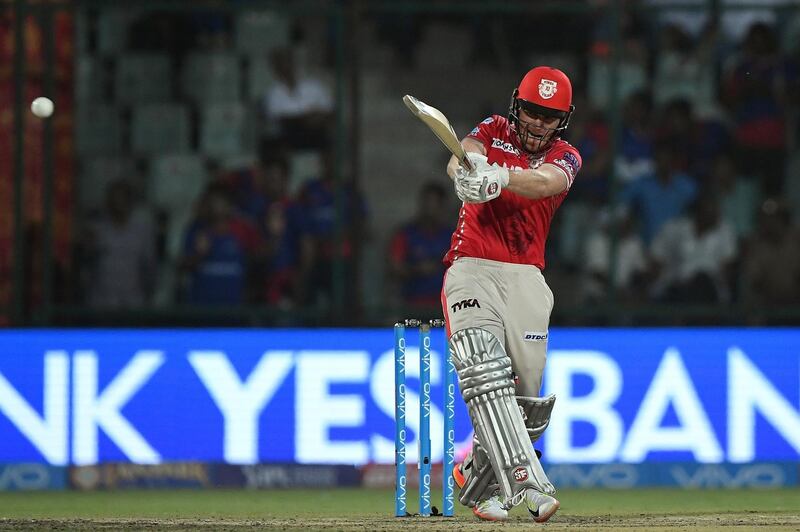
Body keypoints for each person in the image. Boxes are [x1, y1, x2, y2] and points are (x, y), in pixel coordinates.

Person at [442, 66, 582, 523]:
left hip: (526, 276)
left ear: (564, 119)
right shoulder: (491, 128)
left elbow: (543, 184)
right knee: (483, 366)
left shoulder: (568, 155)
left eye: (550, 115)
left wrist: (498, 177)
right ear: (516, 106)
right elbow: (460, 155)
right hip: (472, 267)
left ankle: (475, 474)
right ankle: (527, 481)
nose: (539, 122)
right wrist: (466, 175)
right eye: (533, 111)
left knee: (525, 399)